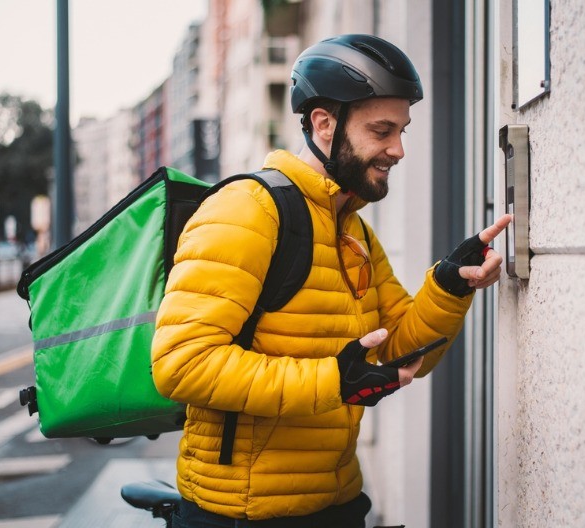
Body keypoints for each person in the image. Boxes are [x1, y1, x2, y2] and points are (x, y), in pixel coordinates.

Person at [151, 33, 512, 528]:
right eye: (382, 130)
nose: (398, 150)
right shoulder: (247, 211)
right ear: (324, 123)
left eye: (402, 130)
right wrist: (334, 380)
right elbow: (181, 365)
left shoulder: (353, 229)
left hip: (336, 501)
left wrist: (450, 285)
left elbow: (405, 352)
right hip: (243, 514)